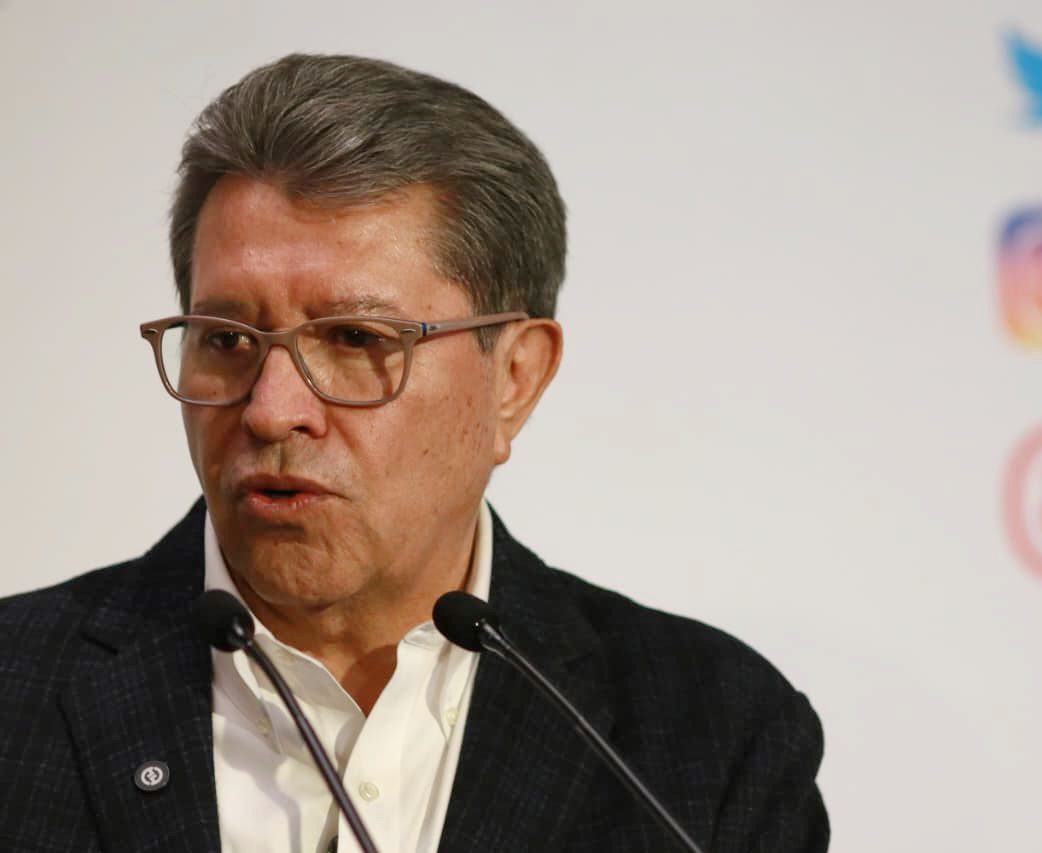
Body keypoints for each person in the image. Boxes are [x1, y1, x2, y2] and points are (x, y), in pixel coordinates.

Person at [0, 53, 828, 852]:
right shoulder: (16, 690)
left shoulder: (713, 740)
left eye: (355, 338)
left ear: (515, 377)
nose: (272, 410)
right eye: (226, 338)